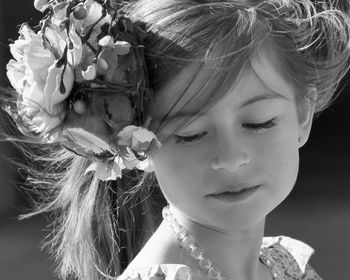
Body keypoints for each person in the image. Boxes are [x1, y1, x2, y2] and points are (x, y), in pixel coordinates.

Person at [1, 0, 350, 279]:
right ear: (134, 143)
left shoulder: (287, 268)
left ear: (302, 114)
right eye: (190, 135)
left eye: (258, 123)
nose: (230, 158)